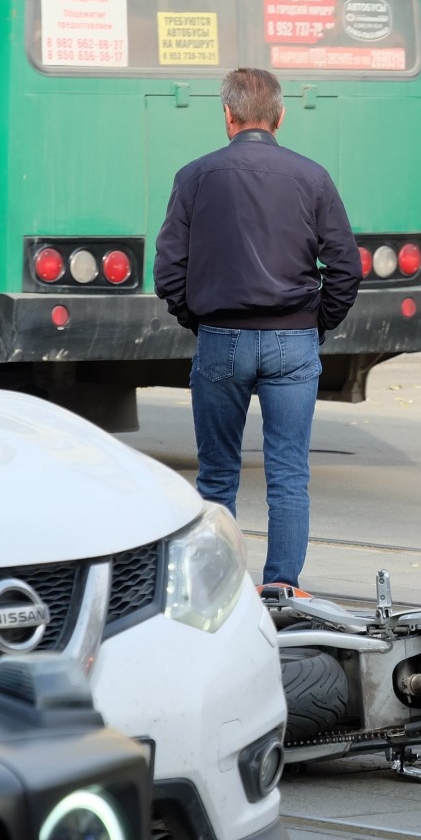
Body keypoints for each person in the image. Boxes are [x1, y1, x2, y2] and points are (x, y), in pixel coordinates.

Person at [154, 67, 361, 587]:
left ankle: (213, 587)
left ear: (227, 115)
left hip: (221, 340)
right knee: (289, 477)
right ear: (280, 116)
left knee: (217, 477)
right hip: (294, 341)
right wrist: (315, 326)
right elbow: (346, 266)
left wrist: (200, 321)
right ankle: (283, 588)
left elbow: (168, 270)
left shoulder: (194, 176)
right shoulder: (312, 177)